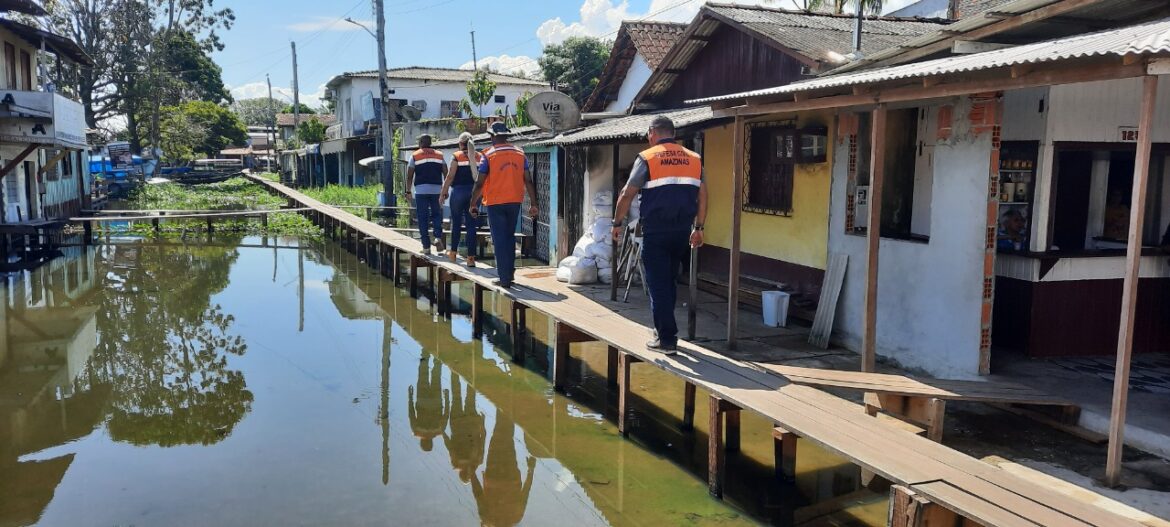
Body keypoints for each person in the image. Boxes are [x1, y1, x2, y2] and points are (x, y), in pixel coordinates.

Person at [611, 116, 707, 354]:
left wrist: (617, 223)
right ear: (672, 133)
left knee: (657, 285)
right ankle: (662, 329)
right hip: (681, 232)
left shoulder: (648, 157)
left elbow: (627, 193)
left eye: (647, 134)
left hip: (656, 231)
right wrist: (699, 227)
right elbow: (703, 195)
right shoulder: (694, 159)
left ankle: (666, 339)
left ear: (653, 133)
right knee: (669, 282)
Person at [469, 123, 538, 288]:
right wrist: (534, 204)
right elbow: (528, 180)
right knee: (509, 236)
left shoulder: (488, 155)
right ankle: (509, 272)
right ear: (506, 135)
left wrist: (473, 204)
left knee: (499, 239)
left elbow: (479, 183)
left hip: (495, 202)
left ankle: (504, 278)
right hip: (515, 201)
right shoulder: (520, 154)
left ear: (492, 136)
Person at [440, 132, 483, 266]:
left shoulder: (456, 156)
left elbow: (450, 176)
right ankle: (470, 258)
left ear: (460, 144)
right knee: (471, 226)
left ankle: (453, 253)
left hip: (458, 193)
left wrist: (443, 192)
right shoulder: (479, 157)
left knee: (456, 224)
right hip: (474, 194)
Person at [405, 134, 447, 255]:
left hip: (421, 191)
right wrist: (445, 190)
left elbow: (409, 175)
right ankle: (438, 237)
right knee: (437, 215)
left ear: (422, 142)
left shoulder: (415, 155)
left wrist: (408, 191)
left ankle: (426, 247)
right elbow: (446, 172)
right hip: (436, 191)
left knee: (422, 218)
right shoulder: (439, 155)